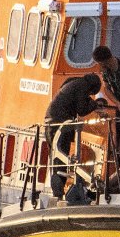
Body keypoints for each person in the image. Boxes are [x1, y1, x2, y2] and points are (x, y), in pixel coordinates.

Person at [44, 73, 103, 201]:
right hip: (59, 124)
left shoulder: (74, 83)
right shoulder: (83, 86)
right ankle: (58, 193)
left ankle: (58, 192)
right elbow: (81, 109)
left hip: (52, 122)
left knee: (56, 160)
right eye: (91, 93)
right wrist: (95, 104)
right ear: (92, 87)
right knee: (59, 161)